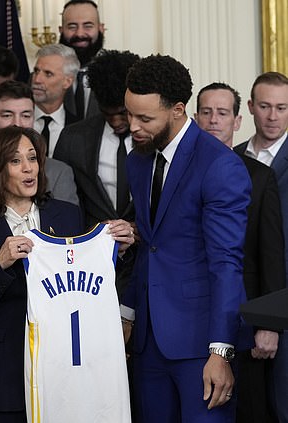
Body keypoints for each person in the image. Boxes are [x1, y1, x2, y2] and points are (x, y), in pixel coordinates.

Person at [0, 126, 133, 422]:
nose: (28, 168)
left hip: (62, 378)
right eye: (15, 160)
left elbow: (85, 286)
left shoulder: (67, 215)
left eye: (32, 158)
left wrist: (117, 253)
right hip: (0, 383)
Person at [121, 55, 251, 422]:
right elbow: (151, 245)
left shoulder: (219, 165)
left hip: (202, 344)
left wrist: (221, 352)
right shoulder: (139, 160)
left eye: (145, 119)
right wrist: (127, 314)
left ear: (178, 110)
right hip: (148, 343)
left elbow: (226, 264)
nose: (133, 127)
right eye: (130, 114)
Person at [196, 82, 284, 423]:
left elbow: (272, 255)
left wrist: (269, 324)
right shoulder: (177, 172)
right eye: (206, 112)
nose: (214, 120)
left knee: (247, 410)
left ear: (236, 121)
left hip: (245, 320)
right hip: (192, 316)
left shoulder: (260, 177)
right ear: (195, 117)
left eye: (222, 113)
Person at [54, 49, 140, 298]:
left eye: (122, 113)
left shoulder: (156, 139)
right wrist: (92, 235)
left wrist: (139, 231)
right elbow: (62, 205)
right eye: (107, 113)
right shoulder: (73, 139)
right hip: (90, 268)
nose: (115, 121)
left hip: (147, 267)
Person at [234, 72, 288, 422]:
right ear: (251, 108)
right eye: (265, 106)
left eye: (282, 108)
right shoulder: (234, 157)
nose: (272, 116)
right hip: (247, 297)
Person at [0, 80, 79, 206]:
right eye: (7, 115)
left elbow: (68, 224)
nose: (17, 124)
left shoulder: (58, 172)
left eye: (25, 116)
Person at [59, 0, 104, 120]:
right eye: (72, 26)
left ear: (101, 29)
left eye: (88, 26)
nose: (79, 34)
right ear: (61, 30)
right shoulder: (41, 77)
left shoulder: (119, 74)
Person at [31, 44, 78, 157]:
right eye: (36, 71)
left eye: (48, 74)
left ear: (67, 82)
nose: (37, 79)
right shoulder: (17, 121)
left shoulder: (79, 130)